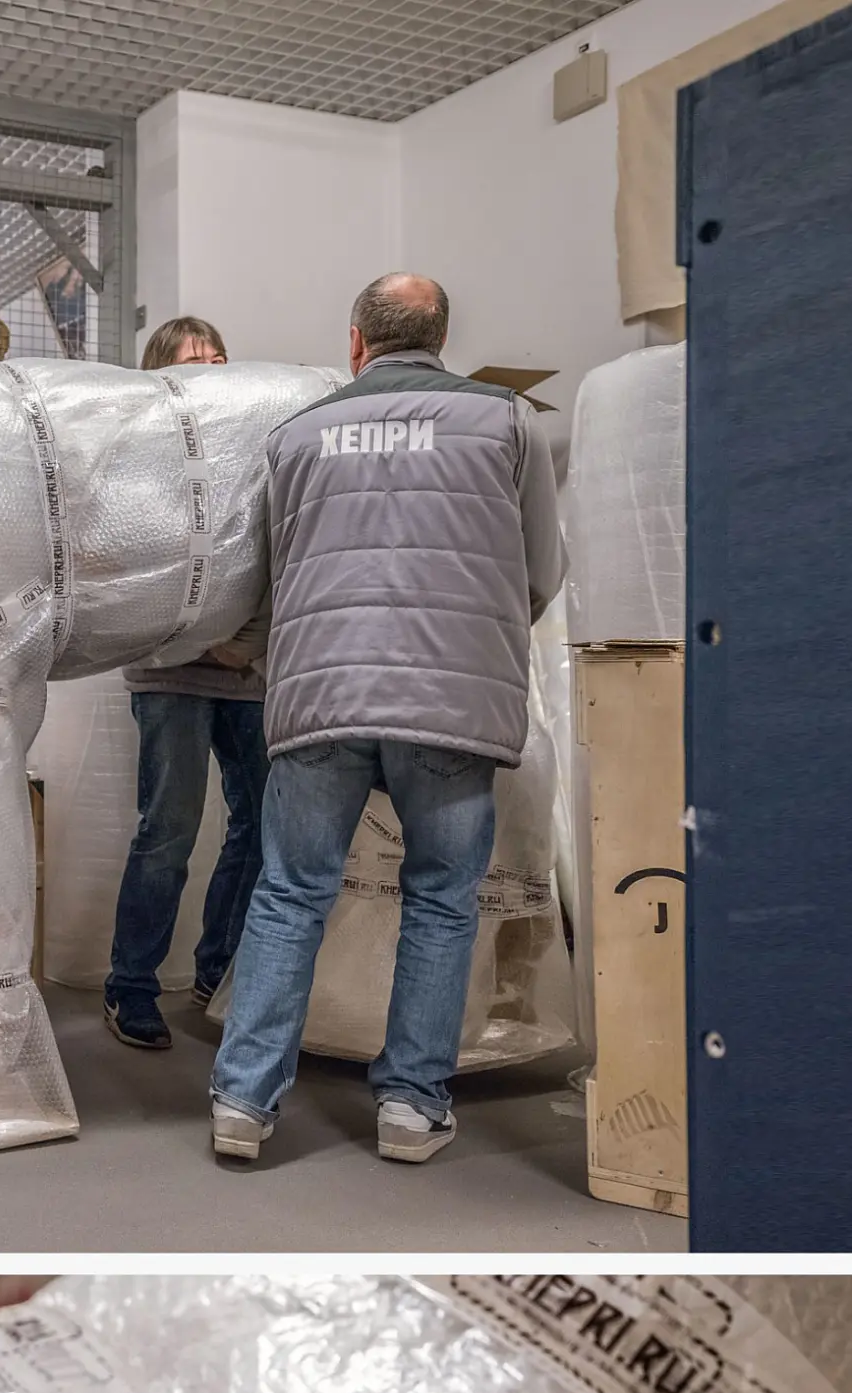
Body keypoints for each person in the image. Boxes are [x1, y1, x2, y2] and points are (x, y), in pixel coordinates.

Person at [210, 273, 564, 1167]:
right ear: (440, 336)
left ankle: (242, 1105)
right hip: (449, 702)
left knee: (290, 893)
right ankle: (410, 1107)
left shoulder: (293, 436)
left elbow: (264, 570)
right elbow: (540, 571)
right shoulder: (506, 420)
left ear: (355, 342)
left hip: (320, 696)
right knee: (441, 900)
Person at [102, 315, 273, 1054]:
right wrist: (210, 645)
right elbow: (129, 569)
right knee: (166, 832)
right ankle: (130, 987)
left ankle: (217, 974)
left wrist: (245, 647)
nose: (213, 369)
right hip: (169, 674)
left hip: (245, 678)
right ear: (161, 374)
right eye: (194, 360)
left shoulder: (256, 452)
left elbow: (272, 553)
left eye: (220, 358)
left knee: (264, 827)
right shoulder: (133, 461)